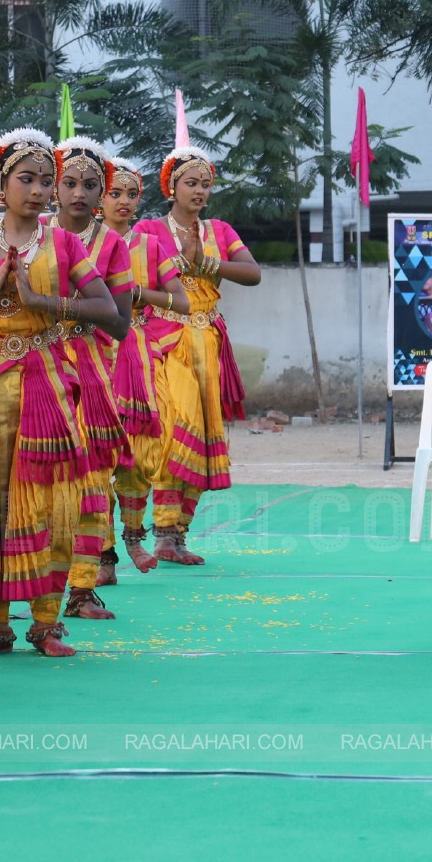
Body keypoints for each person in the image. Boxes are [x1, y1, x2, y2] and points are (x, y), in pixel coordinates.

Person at [0, 129, 123, 659]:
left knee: (48, 502)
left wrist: (42, 300)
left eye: (47, 180)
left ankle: (46, 625)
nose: (40, 189)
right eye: (28, 179)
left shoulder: (64, 244)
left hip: (47, 377)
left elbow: (110, 314)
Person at [134, 146, 260, 565]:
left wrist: (204, 261)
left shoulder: (220, 231)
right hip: (166, 342)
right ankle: (162, 532)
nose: (200, 191)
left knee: (206, 440)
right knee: (174, 434)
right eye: (191, 183)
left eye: (206, 184)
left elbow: (252, 273)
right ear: (171, 187)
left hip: (209, 343)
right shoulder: (149, 230)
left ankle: (177, 534)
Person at [51, 136, 136, 619]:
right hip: (34, 369)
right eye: (69, 183)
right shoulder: (32, 235)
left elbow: (120, 323)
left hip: (90, 374)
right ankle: (24, 592)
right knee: (35, 484)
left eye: (90, 185)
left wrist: (63, 307)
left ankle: (82, 588)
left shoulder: (113, 246)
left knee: (88, 480)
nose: (79, 193)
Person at [101, 156, 190, 574]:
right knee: (94, 457)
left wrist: (139, 293)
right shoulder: (78, 242)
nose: (124, 201)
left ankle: (134, 539)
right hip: (89, 350)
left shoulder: (149, 246)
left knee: (136, 455)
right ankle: (101, 555)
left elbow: (181, 301)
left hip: (135, 354)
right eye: (114, 193)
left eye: (132, 194)